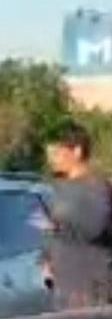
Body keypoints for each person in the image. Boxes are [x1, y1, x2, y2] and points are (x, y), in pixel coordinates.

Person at [43, 121, 112, 309]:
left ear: (77, 152)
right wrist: (46, 258)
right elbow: (53, 229)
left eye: (56, 152)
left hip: (91, 290)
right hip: (65, 287)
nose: (51, 158)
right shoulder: (60, 188)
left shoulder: (96, 188)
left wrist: (57, 226)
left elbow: (94, 227)